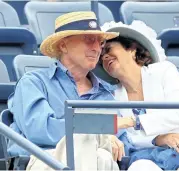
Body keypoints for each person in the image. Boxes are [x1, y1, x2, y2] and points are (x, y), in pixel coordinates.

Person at [7, 11, 120, 170]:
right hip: (44, 161)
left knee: (103, 157)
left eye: (100, 42)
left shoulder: (106, 94)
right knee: (85, 139)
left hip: (96, 163)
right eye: (88, 40)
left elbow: (122, 143)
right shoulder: (33, 83)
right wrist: (100, 134)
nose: (97, 48)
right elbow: (41, 130)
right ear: (63, 45)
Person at [100, 21, 179, 171]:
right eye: (101, 56)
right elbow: (127, 139)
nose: (104, 57)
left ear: (132, 49)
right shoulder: (111, 95)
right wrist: (159, 139)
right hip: (143, 158)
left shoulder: (164, 71)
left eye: (109, 50)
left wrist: (133, 121)